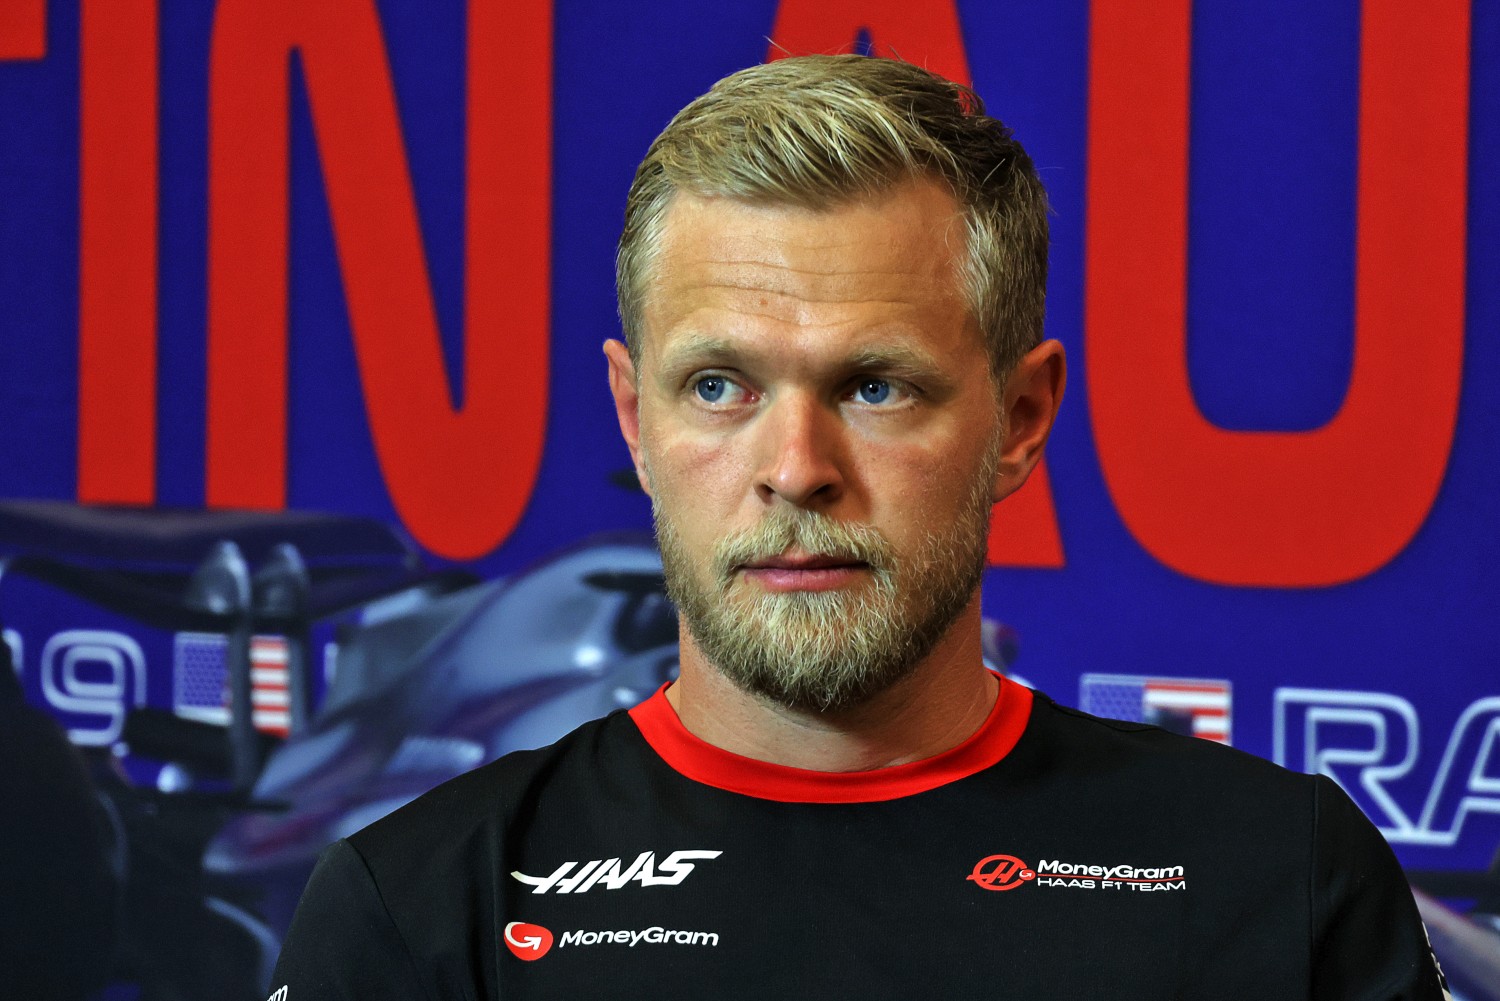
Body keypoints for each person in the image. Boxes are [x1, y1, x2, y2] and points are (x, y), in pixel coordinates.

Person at [269, 55, 1449, 999]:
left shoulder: (1272, 876)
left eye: (877, 386)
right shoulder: (424, 905)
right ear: (635, 415)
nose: (795, 470)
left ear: (1021, 420)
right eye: (720, 385)